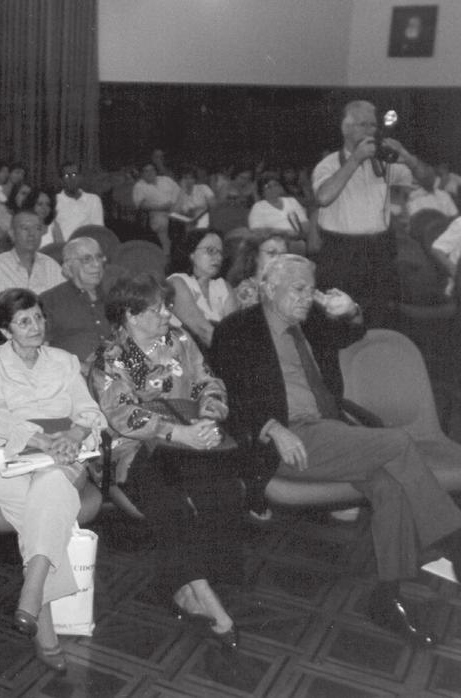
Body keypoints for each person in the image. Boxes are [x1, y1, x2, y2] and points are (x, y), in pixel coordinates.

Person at [210, 254, 461, 646]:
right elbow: (226, 397)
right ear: (269, 289)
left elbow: (353, 334)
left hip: (330, 433)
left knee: (391, 488)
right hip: (289, 440)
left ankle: (386, 597)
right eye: (298, 289)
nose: (307, 297)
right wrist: (271, 428)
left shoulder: (309, 324)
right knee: (398, 442)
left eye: (312, 289)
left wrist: (352, 309)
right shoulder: (237, 330)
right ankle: (452, 541)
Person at [88, 273, 242, 649]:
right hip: (134, 447)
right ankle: (207, 601)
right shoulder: (109, 358)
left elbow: (209, 381)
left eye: (165, 306)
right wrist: (180, 433)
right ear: (130, 315)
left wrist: (209, 415)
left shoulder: (180, 341)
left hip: (187, 438)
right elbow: (124, 416)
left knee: (225, 492)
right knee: (169, 502)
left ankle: (185, 587)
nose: (166, 315)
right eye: (156, 309)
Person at [0, 288, 106, 671]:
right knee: (47, 500)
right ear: (5, 330)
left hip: (64, 454)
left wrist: (73, 437)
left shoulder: (63, 360)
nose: (36, 326)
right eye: (24, 321)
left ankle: (33, 590)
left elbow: (88, 408)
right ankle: (39, 597)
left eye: (39, 318)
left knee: (50, 484)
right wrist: (43, 440)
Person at [312, 100, 434, 327]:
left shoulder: (384, 163)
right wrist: (356, 159)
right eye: (363, 125)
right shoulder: (328, 165)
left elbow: (429, 181)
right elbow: (323, 197)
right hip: (341, 253)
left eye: (373, 125)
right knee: (337, 318)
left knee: (380, 315)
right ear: (345, 128)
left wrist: (406, 155)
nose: (371, 131)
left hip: (378, 250)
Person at [41, 237, 112, 366]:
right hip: (71, 375)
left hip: (118, 373)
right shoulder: (50, 301)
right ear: (68, 266)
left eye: (99, 257)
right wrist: (79, 367)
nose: (96, 264)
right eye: (87, 259)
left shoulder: (113, 295)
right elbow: (40, 350)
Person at [167, 228, 237, 348]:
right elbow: (202, 331)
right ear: (191, 253)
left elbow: (234, 331)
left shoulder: (223, 286)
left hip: (218, 353)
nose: (218, 257)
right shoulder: (176, 282)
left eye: (220, 252)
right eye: (210, 250)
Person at [0, 210, 66, 301]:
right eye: (25, 228)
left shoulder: (51, 266)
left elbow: (62, 305)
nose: (32, 234)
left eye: (37, 228)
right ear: (12, 234)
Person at [227, 233, 289, 309]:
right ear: (255, 256)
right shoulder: (246, 291)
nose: (278, 259)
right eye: (272, 253)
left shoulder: (287, 287)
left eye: (283, 254)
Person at [132, 162, 180, 256]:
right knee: (161, 222)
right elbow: (141, 205)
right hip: (157, 212)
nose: (150, 173)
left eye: (152, 170)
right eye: (146, 171)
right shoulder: (139, 186)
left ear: (155, 171)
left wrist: (173, 205)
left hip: (176, 206)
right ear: (142, 174)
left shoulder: (166, 180)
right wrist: (161, 208)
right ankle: (167, 252)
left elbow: (179, 192)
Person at [248, 173, 309, 239]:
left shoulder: (292, 201)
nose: (273, 188)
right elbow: (256, 230)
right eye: (268, 187)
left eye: (276, 185)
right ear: (261, 190)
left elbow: (304, 222)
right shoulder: (258, 207)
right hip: (274, 240)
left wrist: (300, 235)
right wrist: (282, 232)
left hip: (298, 238)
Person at [54, 162, 104, 242]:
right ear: (61, 180)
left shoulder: (93, 200)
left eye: (74, 174)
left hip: (88, 247)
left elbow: (98, 230)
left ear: (80, 177)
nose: (71, 179)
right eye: (67, 176)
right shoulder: (55, 200)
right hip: (63, 248)